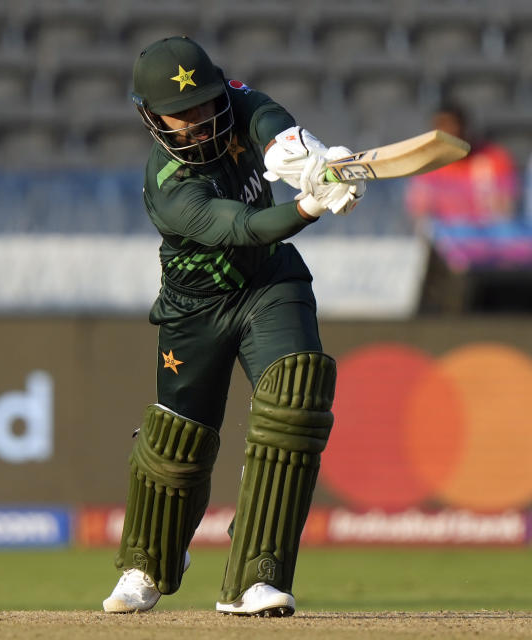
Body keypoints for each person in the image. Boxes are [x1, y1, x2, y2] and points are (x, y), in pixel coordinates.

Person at [101, 36, 365, 617]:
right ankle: (149, 561)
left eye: (206, 104)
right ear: (151, 118)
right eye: (182, 112)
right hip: (195, 307)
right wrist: (310, 206)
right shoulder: (169, 187)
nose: (198, 121)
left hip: (268, 285)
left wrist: (313, 161)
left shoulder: (240, 105)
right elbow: (246, 225)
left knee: (296, 395)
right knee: (179, 438)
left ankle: (258, 574)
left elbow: (275, 128)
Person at [405, 102, 517, 226]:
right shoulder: (426, 165)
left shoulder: (493, 158)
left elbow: (504, 210)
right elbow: (419, 214)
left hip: (485, 238)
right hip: (444, 238)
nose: (446, 132)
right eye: (440, 126)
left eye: (451, 125)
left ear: (464, 126)